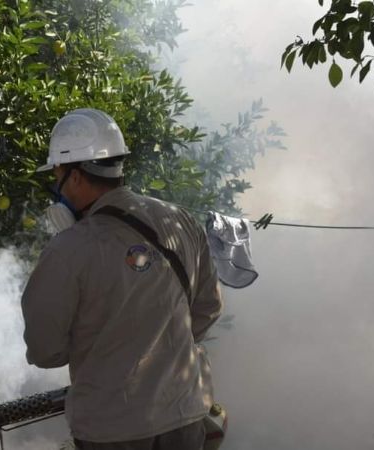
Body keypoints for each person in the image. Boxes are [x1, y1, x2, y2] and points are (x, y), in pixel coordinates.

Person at [21, 108, 223, 450]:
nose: (56, 184)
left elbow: (46, 352)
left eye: (56, 172)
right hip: (185, 416)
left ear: (75, 175)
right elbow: (208, 307)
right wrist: (161, 350)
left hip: (113, 430)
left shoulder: (68, 249)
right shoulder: (180, 221)